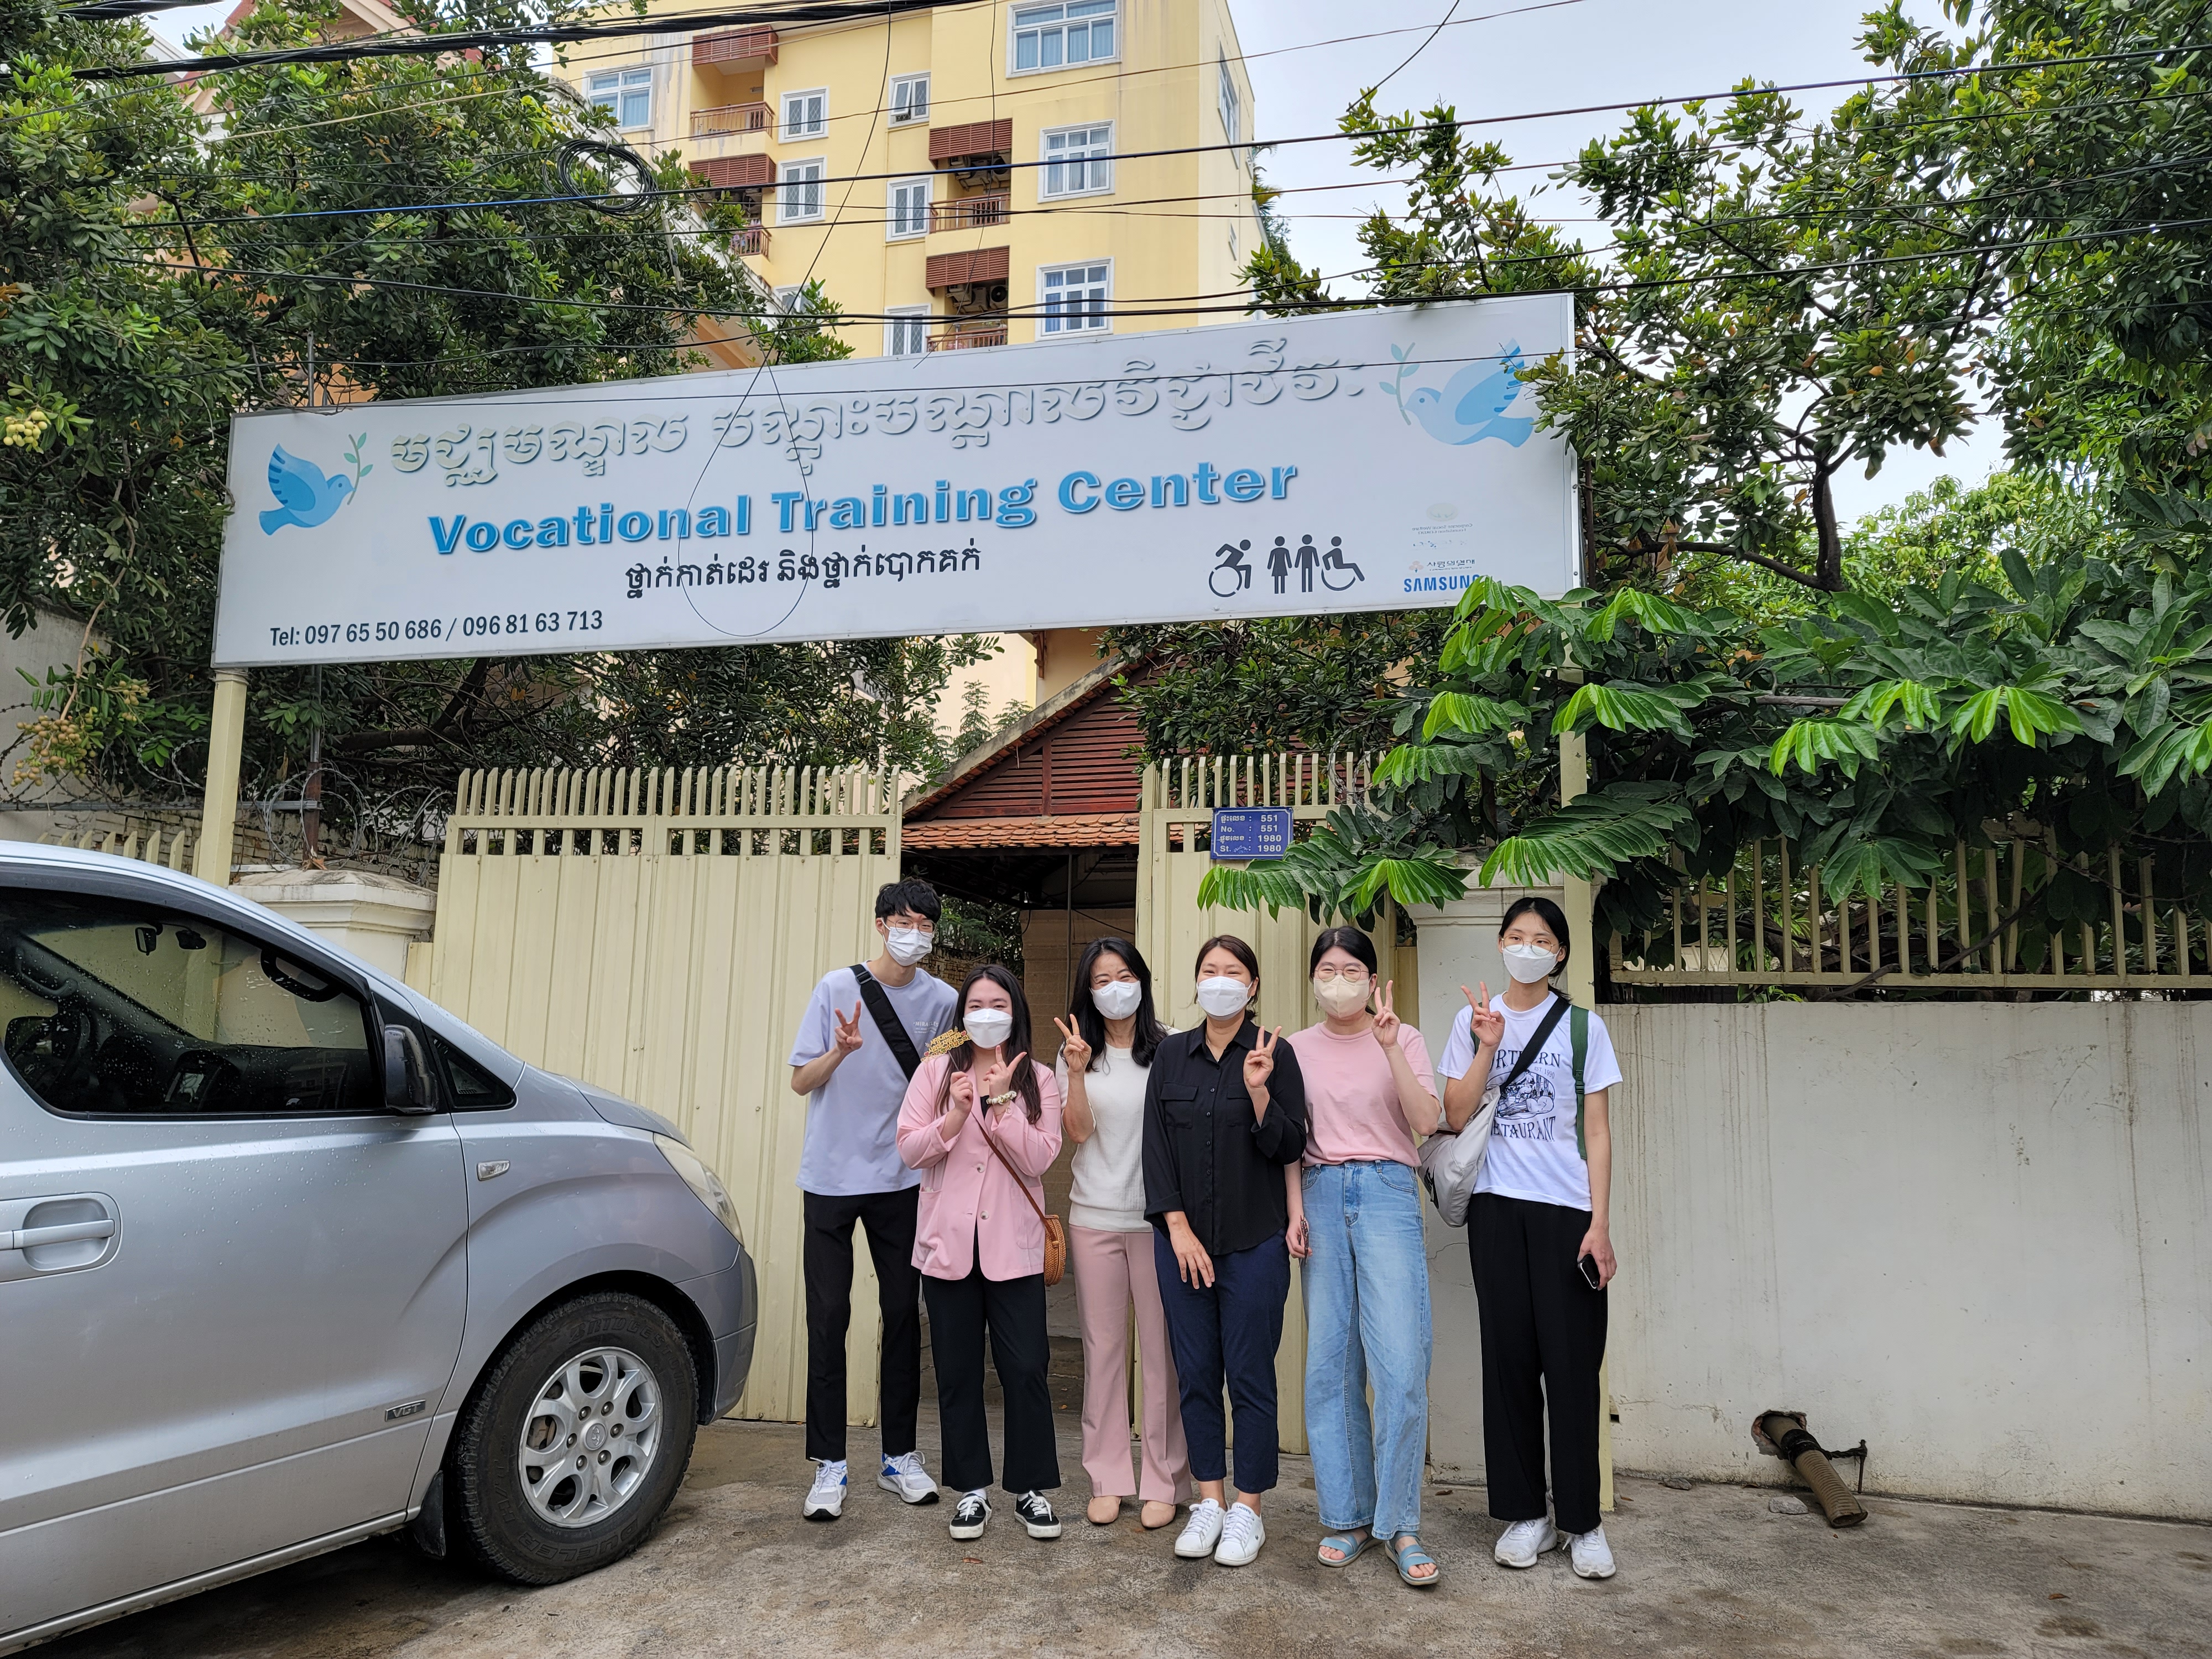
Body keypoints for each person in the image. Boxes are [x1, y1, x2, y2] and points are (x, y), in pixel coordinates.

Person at [1434, 896, 1625, 1580]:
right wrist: (1487, 1045)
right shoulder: (1472, 1020)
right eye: (1516, 936)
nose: (1527, 948)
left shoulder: (1583, 1028)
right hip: (1495, 1208)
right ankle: (1525, 1514)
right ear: (1499, 943)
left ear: (1560, 953)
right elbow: (1454, 1113)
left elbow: (1596, 1129)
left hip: (1566, 1212)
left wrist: (1599, 1223)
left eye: (1542, 939)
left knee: (1572, 1366)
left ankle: (1582, 1521)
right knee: (1508, 1362)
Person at [786, 879, 957, 1521]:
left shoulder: (943, 1001)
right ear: (882, 925)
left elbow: (944, 1081)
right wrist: (840, 1051)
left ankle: (899, 1457)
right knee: (829, 1316)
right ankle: (829, 1464)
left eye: (925, 924)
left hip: (903, 1180)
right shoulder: (836, 988)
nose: (914, 934)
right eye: (904, 922)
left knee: (903, 1315)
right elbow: (800, 1081)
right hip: (831, 1178)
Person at [1142, 934, 1308, 1568]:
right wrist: (1177, 1228)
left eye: (1232, 971)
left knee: (1249, 1375)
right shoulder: (1171, 1055)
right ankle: (1208, 1500)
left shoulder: (1275, 1053)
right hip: (1181, 1245)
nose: (1220, 980)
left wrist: (1260, 1091)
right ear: (1196, 982)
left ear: (1252, 986)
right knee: (1196, 1374)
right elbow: (1155, 1149)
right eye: (1209, 970)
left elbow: (1290, 1147)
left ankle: (1248, 1509)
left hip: (1254, 1242)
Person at [1283, 927, 1442, 1587]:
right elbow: (1290, 1138)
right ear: (1312, 980)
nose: (1339, 981)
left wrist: (1389, 1046)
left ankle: (1400, 1522)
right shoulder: (1295, 1048)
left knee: (1400, 1365)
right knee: (1331, 1364)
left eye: (1352, 970)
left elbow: (1426, 1121)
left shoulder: (1403, 1037)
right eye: (1327, 970)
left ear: (1373, 981)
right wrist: (1293, 1208)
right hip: (1319, 1192)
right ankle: (1347, 1516)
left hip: (1385, 1192)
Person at [896, 965, 1066, 1542]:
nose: (986, 1014)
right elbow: (909, 1150)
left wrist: (1001, 1105)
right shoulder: (935, 1071)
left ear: (1015, 1013)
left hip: (1013, 1247)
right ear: (961, 1015)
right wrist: (954, 1115)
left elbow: (1040, 1159)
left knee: (1026, 1367)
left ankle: (1030, 1489)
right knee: (957, 1372)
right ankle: (970, 1490)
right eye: (975, 1005)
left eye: (998, 1004)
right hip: (948, 1246)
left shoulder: (1039, 1078)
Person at [1053, 938, 1190, 1531]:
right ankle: (1107, 1478)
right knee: (1103, 1351)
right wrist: (1075, 1072)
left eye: (1125, 975)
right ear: (1087, 991)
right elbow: (1078, 1132)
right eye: (1102, 980)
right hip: (1095, 1217)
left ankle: (1166, 1479)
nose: (1115, 988)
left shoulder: (1172, 1046)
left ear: (1143, 981)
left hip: (1158, 1223)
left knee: (1163, 1353)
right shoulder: (1075, 1053)